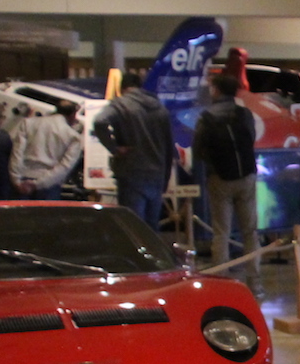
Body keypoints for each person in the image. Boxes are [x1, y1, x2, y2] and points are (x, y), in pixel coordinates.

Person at [193, 73, 262, 292]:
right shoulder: (244, 114)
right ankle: (254, 280)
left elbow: (198, 148)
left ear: (217, 90)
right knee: (250, 231)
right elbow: (251, 138)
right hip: (246, 176)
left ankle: (221, 281)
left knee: (221, 231)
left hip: (219, 178)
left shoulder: (207, 117)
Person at [94, 72, 176, 229]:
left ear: (122, 88)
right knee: (151, 227)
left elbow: (100, 121)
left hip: (131, 171)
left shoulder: (121, 104)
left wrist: (114, 148)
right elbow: (168, 145)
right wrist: (165, 179)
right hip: (157, 173)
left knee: (133, 225)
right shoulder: (160, 107)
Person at [9, 100, 83, 200]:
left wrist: (16, 180)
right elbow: (65, 166)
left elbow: (17, 153)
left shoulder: (28, 123)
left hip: (23, 180)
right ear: (73, 115)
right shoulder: (73, 136)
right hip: (49, 185)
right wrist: (38, 184)